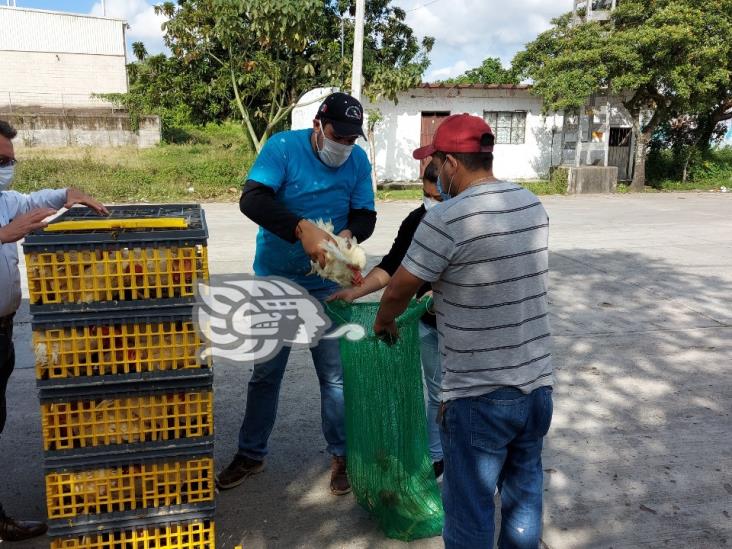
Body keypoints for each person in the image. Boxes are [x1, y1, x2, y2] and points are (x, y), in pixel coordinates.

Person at [373, 114, 553, 548]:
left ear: (451, 163)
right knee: (524, 501)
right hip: (537, 388)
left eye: (435, 162)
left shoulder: (447, 218)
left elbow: (400, 288)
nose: (433, 172)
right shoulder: (531, 204)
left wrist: (383, 321)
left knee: (469, 510)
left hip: (480, 396)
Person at [217, 92, 376, 496]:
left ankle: (341, 454)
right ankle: (251, 454)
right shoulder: (283, 148)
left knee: (335, 378)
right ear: (319, 126)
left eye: (352, 138)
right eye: (338, 135)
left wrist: (344, 237)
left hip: (327, 286)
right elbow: (252, 199)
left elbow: (365, 214)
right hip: (276, 282)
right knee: (266, 373)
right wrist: (301, 228)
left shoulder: (356, 161)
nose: (345, 145)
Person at [0, 119, 108, 542]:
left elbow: (34, 199)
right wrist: (4, 235)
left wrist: (69, 195)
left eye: (9, 161)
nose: (6, 168)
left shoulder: (6, 199)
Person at [326, 163, 445, 477]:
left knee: (460, 398)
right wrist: (357, 292)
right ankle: (436, 459)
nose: (431, 203)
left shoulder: (469, 221)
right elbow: (393, 266)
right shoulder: (416, 220)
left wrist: (441, 295)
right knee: (438, 394)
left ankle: (461, 461)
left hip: (464, 331)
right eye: (426, 195)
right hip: (428, 325)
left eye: (439, 198)